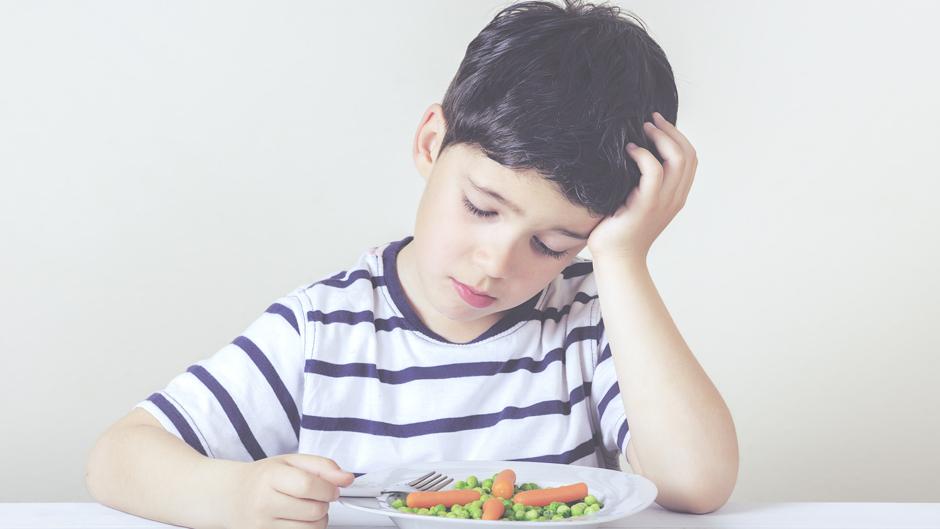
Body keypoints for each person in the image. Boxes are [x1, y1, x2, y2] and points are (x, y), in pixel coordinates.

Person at [85, 1, 738, 527]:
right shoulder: (324, 330)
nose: (494, 262)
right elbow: (117, 458)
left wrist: (622, 256)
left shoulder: (593, 321)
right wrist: (236, 495)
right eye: (482, 207)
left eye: (552, 243)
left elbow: (696, 481)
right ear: (432, 143)